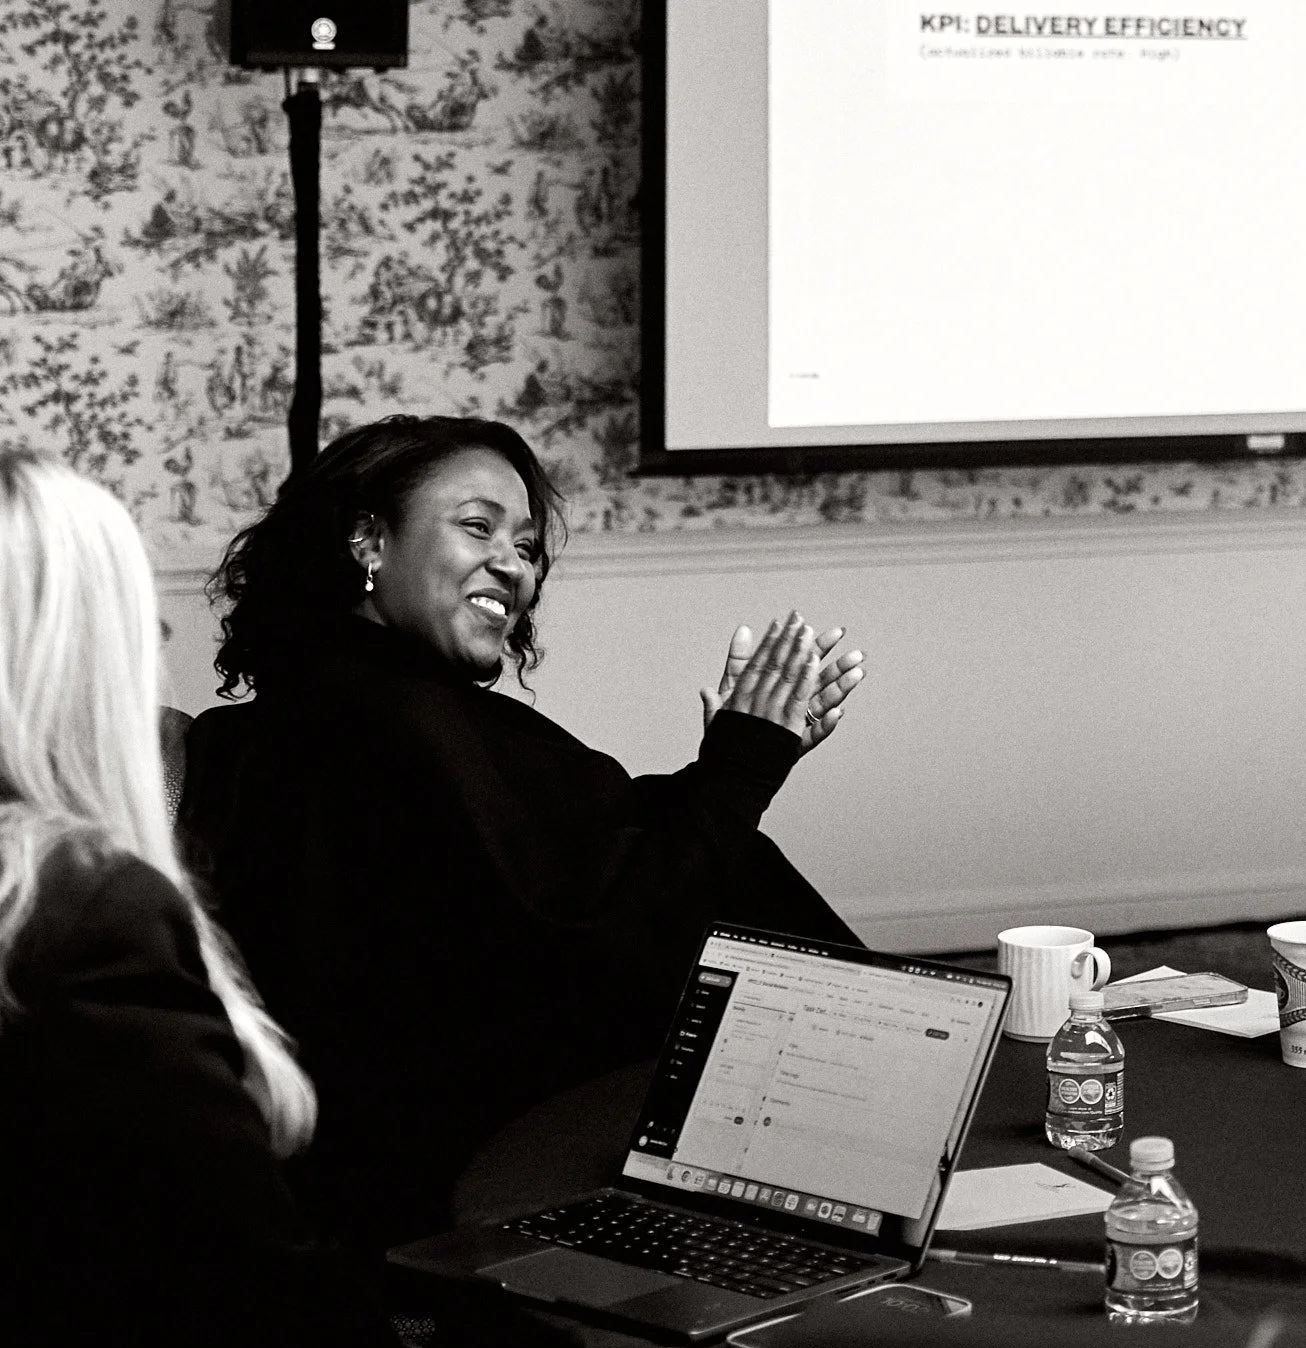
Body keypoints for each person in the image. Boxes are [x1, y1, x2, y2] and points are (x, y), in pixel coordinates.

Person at [177, 415, 867, 1259]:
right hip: (460, 1200)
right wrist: (740, 766)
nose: (515, 562)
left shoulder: (326, 706)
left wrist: (722, 769)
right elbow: (592, 931)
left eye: (530, 547)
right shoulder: (392, 720)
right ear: (368, 538)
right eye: (478, 526)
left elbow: (547, 858)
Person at [0, 448, 410, 1348]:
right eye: (137, 617)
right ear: (81, 650)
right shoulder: (82, 910)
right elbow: (262, 1286)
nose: (161, 640)